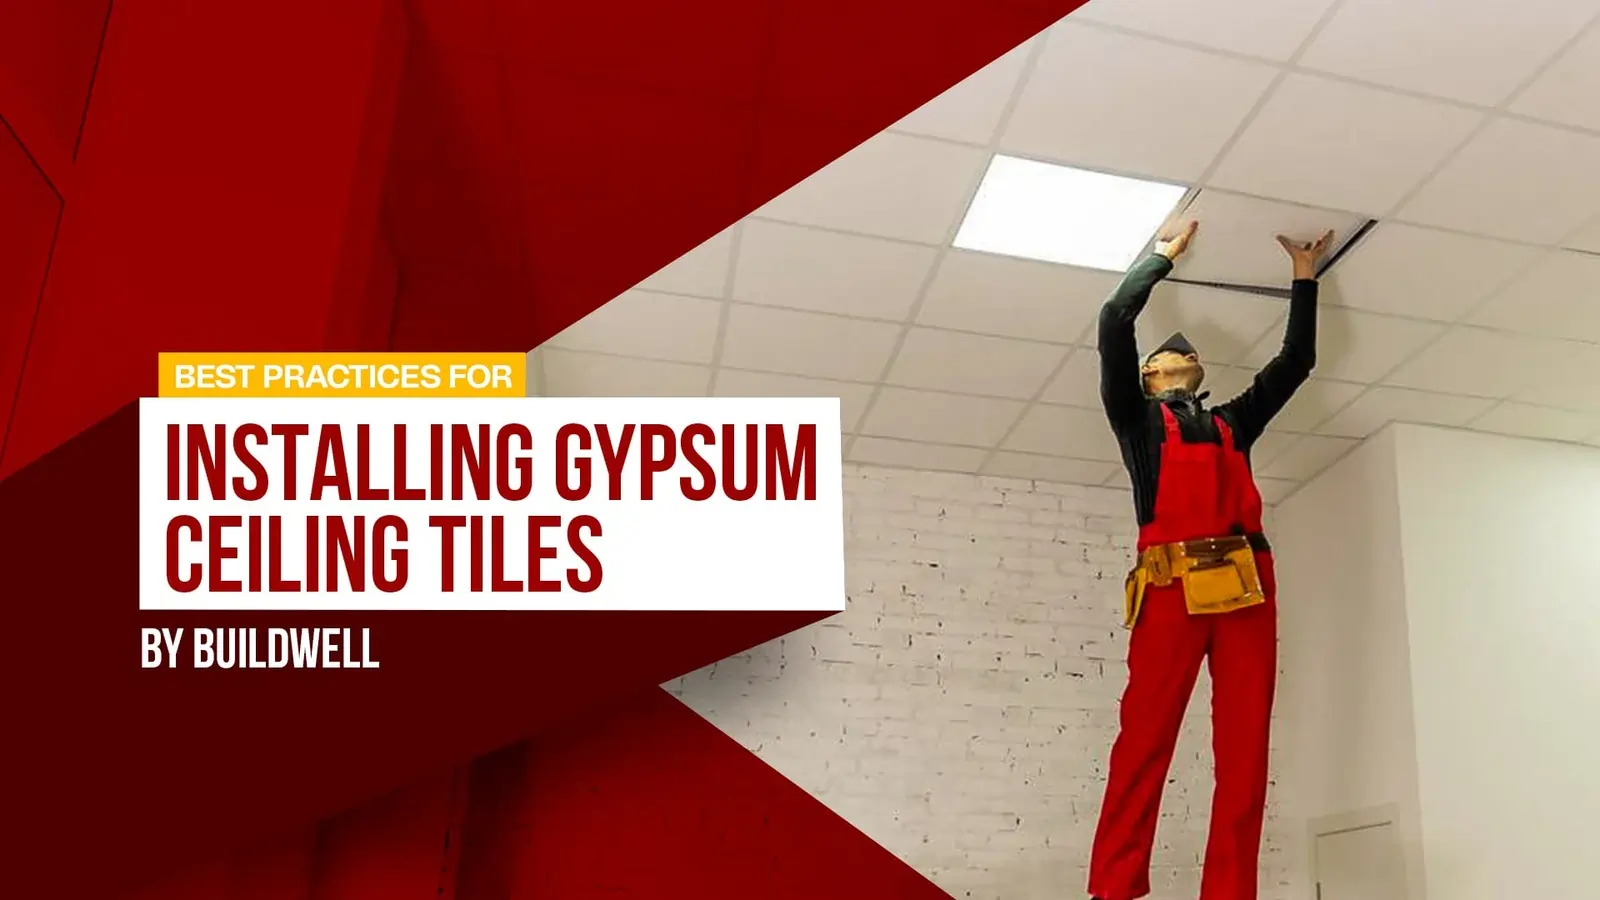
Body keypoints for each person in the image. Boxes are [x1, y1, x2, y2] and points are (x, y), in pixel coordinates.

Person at [1087, 221, 1334, 900]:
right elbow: (1113, 319)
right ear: (1144, 377)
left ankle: (1230, 892)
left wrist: (1304, 278)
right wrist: (1161, 256)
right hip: (1169, 588)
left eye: (1185, 355)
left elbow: (1296, 363)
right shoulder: (1137, 425)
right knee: (1143, 741)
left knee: (1246, 751)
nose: (1178, 353)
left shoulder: (1233, 422)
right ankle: (1113, 886)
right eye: (1163, 357)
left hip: (1248, 586)